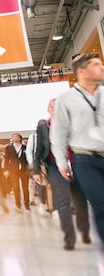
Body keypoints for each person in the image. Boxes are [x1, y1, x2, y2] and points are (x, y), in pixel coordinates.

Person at [51, 52, 104, 244]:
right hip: (84, 159)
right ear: (82, 71)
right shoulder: (66, 98)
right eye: (96, 64)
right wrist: (61, 163)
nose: (102, 67)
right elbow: (58, 132)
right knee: (100, 206)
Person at [34, 99, 90, 250]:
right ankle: (69, 238)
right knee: (63, 201)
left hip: (77, 163)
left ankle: (84, 230)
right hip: (54, 166)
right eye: (52, 105)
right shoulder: (43, 127)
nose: (55, 108)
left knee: (79, 200)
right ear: (48, 109)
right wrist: (36, 169)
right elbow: (39, 148)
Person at [4, 133, 30, 212]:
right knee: (16, 188)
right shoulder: (9, 148)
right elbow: (6, 159)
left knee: (25, 188)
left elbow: (28, 158)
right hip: (13, 170)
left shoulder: (25, 147)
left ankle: (27, 205)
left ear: (20, 138)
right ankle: (18, 204)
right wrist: (6, 169)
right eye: (13, 137)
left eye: (16, 136)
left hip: (24, 170)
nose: (14, 138)